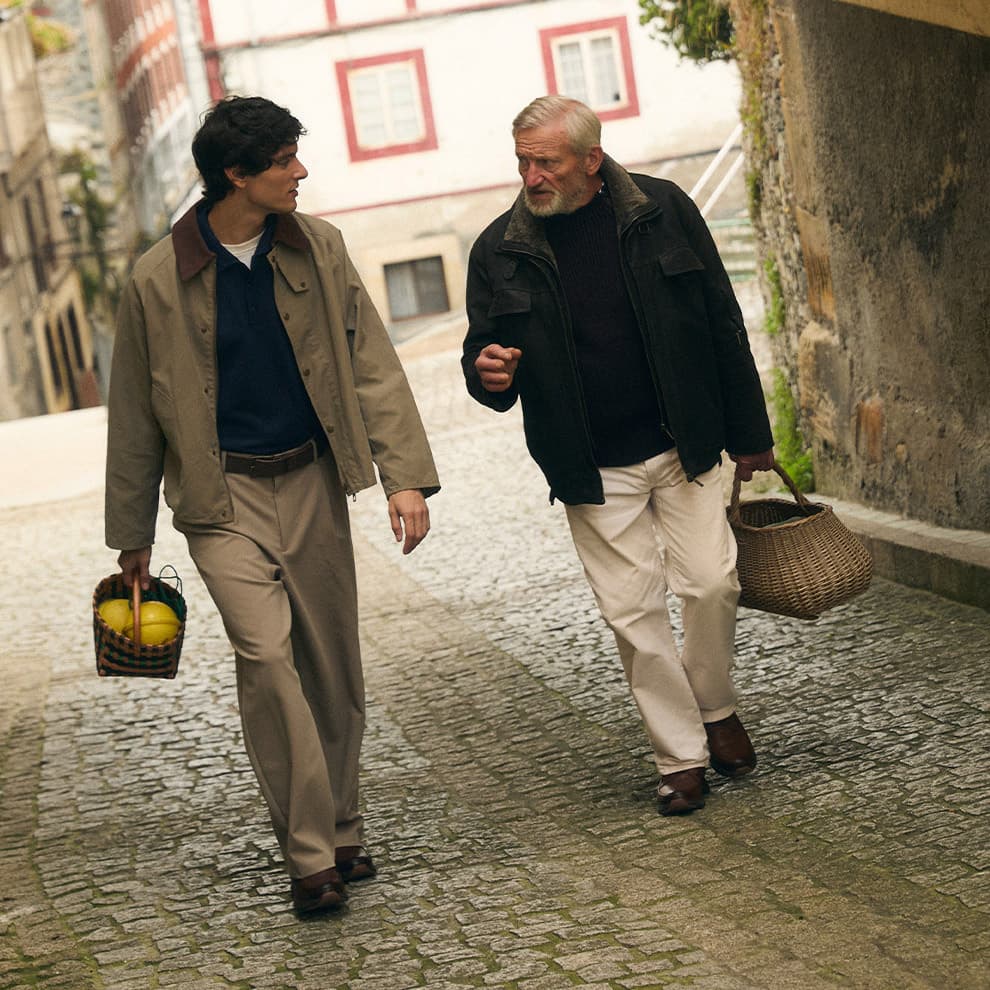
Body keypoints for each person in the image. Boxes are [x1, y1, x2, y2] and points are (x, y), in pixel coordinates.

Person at [105, 96, 440, 912]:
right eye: (285, 159)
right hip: (221, 502)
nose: (300, 171)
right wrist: (133, 535)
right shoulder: (156, 279)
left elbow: (371, 366)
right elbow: (133, 414)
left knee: (332, 665)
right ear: (237, 175)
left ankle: (345, 824)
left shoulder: (319, 248)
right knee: (267, 662)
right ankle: (310, 854)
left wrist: (403, 476)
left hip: (314, 482)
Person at [462, 96, 774, 817]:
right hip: (591, 462)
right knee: (633, 613)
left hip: (684, 441)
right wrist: (488, 373)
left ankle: (717, 708)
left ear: (590, 160)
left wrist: (750, 432)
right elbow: (483, 358)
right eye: (523, 162)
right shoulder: (498, 248)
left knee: (710, 584)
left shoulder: (662, 209)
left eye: (547, 161)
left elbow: (722, 320)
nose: (532, 176)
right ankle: (681, 756)